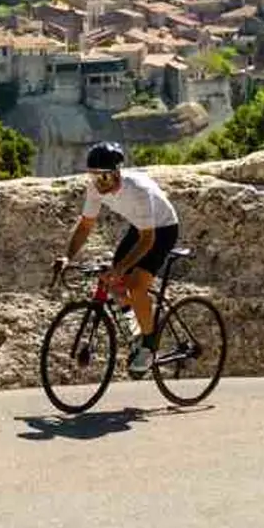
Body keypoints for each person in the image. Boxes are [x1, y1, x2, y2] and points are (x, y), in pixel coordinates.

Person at [53, 142, 181, 379]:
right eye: (94, 176)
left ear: (117, 173)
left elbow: (147, 241)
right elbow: (85, 225)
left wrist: (120, 268)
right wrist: (67, 256)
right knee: (113, 282)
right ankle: (136, 329)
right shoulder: (94, 188)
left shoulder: (138, 190)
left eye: (104, 177)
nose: (99, 183)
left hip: (162, 230)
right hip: (139, 227)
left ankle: (149, 344)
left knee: (136, 286)